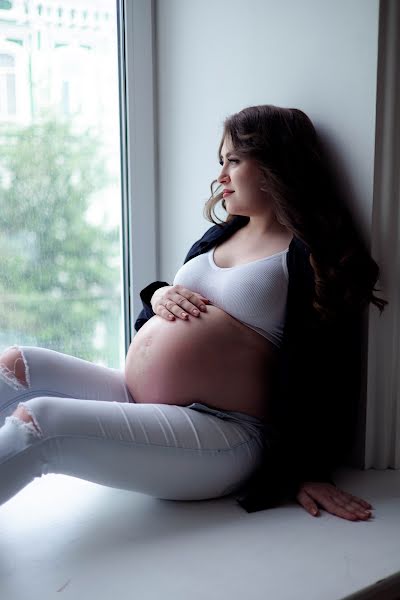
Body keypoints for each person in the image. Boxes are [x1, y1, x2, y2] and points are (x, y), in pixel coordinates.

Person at [0, 104, 387, 521]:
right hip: (147, 402)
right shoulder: (220, 235)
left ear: (277, 163)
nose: (221, 175)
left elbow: (327, 371)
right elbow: (166, 319)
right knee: (17, 362)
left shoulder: (308, 256)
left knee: (42, 423)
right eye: (221, 161)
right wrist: (159, 296)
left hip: (224, 433)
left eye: (234, 161)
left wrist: (307, 471)